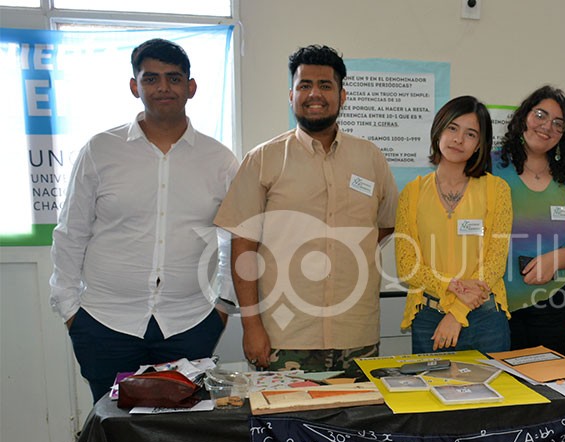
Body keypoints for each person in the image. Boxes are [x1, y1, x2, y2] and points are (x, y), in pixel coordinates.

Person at [49, 38, 240, 402]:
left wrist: (223, 306)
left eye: (174, 78)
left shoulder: (220, 160)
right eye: (151, 78)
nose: (163, 87)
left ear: (191, 87)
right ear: (135, 86)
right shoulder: (101, 150)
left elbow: (232, 237)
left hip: (191, 324)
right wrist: (70, 310)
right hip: (105, 323)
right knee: (114, 432)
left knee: (181, 431)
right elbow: (71, 233)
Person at [214, 45, 398, 377]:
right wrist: (251, 326)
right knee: (283, 429)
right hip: (284, 336)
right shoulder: (263, 159)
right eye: (304, 85)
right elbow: (243, 246)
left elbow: (383, 226)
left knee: (358, 426)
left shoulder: (370, 158)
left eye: (325, 85)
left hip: (356, 334)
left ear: (342, 96)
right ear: (291, 95)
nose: (314, 94)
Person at [395, 95, 512, 354]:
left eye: (470, 134)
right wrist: (449, 285)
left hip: (486, 320)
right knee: (433, 393)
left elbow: (495, 264)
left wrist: (457, 313)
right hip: (429, 319)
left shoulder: (497, 190)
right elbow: (406, 266)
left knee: (496, 394)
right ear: (438, 130)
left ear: (479, 144)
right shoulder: (412, 193)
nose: (459, 139)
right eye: (452, 128)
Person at [494, 86, 565, 356]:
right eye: (540, 115)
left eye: (557, 123)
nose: (547, 126)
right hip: (492, 306)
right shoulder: (490, 169)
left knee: (544, 391)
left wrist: (555, 260)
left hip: (552, 306)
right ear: (524, 117)